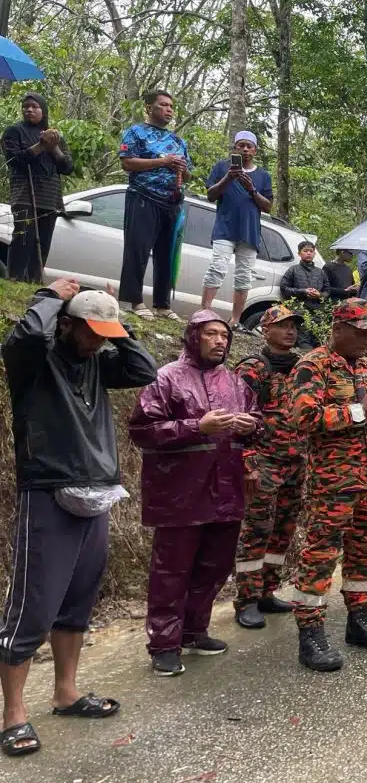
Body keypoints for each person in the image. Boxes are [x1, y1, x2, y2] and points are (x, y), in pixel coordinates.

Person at [0, 281, 156, 758]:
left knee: (77, 599)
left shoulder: (99, 362)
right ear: (64, 325)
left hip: (97, 491)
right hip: (49, 488)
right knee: (34, 604)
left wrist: (114, 320)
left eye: (103, 335)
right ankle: (13, 714)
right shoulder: (34, 363)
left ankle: (66, 692)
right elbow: (23, 338)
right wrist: (49, 295)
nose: (98, 342)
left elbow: (143, 368)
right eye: (90, 332)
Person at [129, 312, 260, 677]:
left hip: (226, 489)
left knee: (215, 564)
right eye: (211, 334)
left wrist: (252, 426)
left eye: (224, 335)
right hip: (180, 492)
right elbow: (142, 430)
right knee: (171, 571)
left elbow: (255, 420)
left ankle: (194, 629)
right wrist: (194, 427)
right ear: (193, 336)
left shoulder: (235, 382)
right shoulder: (166, 377)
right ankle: (164, 643)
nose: (220, 341)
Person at [286, 298, 367, 671]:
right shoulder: (312, 365)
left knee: (366, 550)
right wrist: (361, 411)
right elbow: (305, 417)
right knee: (319, 555)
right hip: (332, 482)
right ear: (338, 329)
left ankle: (359, 619)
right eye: (361, 332)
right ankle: (311, 632)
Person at [232, 305, 305, 629]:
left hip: (296, 462)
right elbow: (237, 419)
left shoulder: (303, 366)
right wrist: (247, 463)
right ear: (265, 329)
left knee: (283, 530)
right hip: (264, 462)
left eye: (293, 326)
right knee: (256, 531)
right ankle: (246, 599)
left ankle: (267, 591)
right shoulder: (252, 368)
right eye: (283, 326)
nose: (290, 331)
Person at [118, 90, 190, 321]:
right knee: (137, 249)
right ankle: (134, 300)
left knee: (166, 254)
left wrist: (180, 168)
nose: (169, 109)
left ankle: (162, 305)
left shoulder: (177, 141)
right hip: (143, 197)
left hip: (171, 202)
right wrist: (163, 161)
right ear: (149, 108)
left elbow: (188, 175)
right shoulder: (136, 132)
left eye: (171, 106)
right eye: (163, 105)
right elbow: (127, 163)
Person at [202, 131, 273, 324]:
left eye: (249, 146)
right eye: (241, 145)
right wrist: (228, 178)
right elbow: (211, 195)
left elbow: (267, 206)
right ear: (235, 148)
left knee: (244, 277)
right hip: (224, 229)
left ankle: (235, 320)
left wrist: (252, 189)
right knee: (216, 268)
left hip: (249, 233)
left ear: (255, 151)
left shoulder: (263, 176)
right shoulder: (221, 168)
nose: (245, 149)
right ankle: (204, 313)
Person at [2, 93, 73, 283]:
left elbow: (67, 168)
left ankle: (33, 282)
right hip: (25, 193)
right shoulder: (13, 131)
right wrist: (40, 146)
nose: (29, 110)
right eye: (26, 107)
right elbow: (14, 160)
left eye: (34, 106)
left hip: (49, 198)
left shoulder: (55, 135)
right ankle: (15, 279)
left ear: (43, 110)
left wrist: (54, 148)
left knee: (42, 242)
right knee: (23, 237)